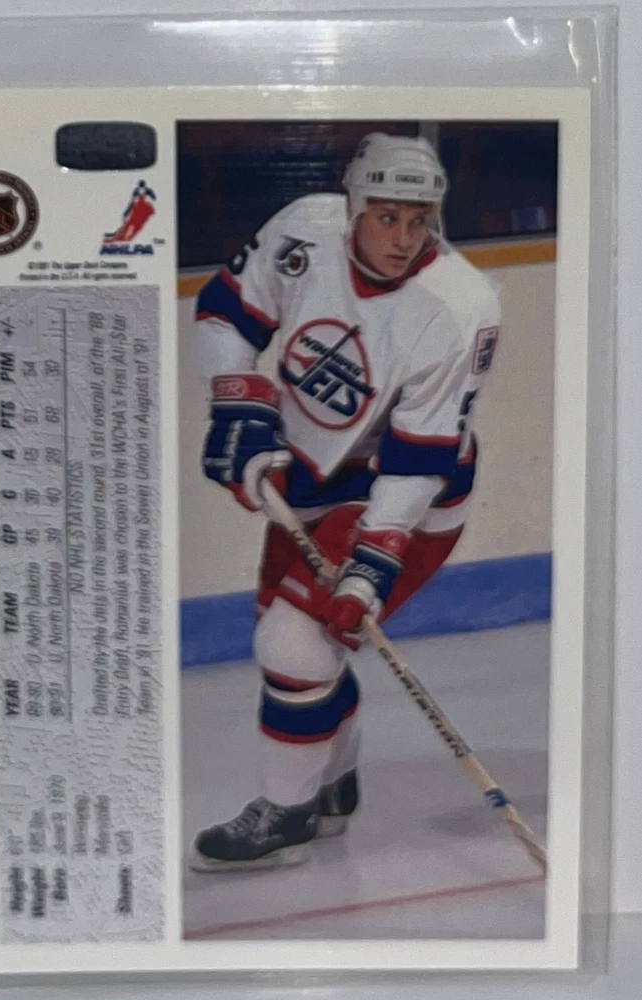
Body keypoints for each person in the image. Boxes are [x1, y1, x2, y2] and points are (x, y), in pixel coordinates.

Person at [190, 132, 501, 872]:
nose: (404, 238)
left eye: (419, 221)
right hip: (308, 475)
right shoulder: (303, 229)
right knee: (302, 649)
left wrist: (373, 560)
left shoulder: (461, 306)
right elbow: (227, 312)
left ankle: (288, 813)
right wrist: (238, 406)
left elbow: (418, 456)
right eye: (387, 217)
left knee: (293, 644)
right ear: (353, 207)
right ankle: (331, 784)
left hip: (407, 491)